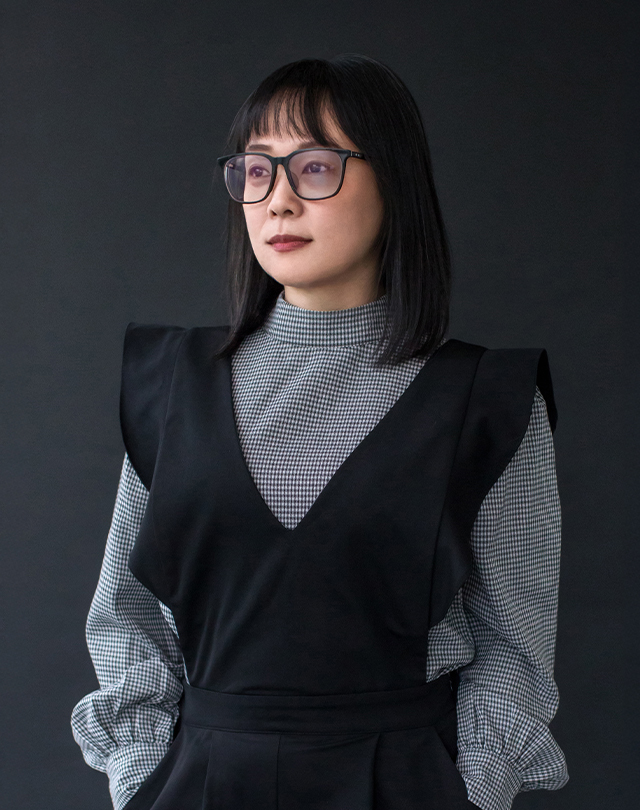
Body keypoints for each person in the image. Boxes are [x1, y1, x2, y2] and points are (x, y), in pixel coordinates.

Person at [71, 54, 569, 810]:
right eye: (257, 170)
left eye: (313, 168)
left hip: (403, 786)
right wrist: (141, 780)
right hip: (201, 786)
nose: (277, 201)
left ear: (394, 180)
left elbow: (513, 640)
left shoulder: (488, 400)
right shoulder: (170, 384)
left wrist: (471, 792)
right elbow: (128, 618)